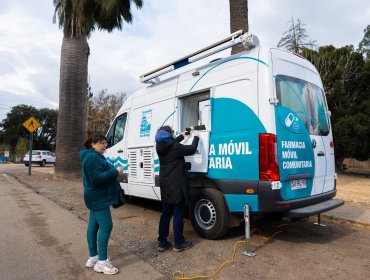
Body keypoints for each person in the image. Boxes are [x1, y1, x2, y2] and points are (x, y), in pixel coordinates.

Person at [80, 133, 123, 275]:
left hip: (95, 197)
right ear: (92, 144)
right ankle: (102, 263)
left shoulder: (94, 156)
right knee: (106, 226)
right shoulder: (92, 157)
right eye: (100, 142)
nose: (104, 145)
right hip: (98, 198)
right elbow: (97, 179)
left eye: (105, 143)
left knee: (93, 226)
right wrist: (115, 172)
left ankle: (93, 257)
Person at [155, 126, 199, 252]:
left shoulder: (159, 146)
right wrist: (196, 137)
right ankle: (178, 243)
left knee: (165, 214)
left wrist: (182, 136)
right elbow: (191, 149)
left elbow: (172, 143)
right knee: (178, 214)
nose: (174, 134)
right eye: (173, 133)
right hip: (176, 185)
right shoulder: (175, 148)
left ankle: (162, 242)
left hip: (166, 185)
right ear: (169, 135)